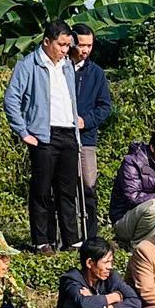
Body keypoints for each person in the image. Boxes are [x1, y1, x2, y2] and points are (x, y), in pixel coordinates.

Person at [2, 21, 84, 252]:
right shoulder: (29, 65)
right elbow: (12, 99)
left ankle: (71, 239)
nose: (65, 49)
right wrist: (23, 131)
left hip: (68, 132)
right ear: (47, 41)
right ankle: (42, 240)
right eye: (61, 44)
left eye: (68, 45)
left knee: (67, 190)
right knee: (42, 190)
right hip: (43, 134)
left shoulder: (67, 65)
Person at [70, 24, 114, 240]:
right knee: (64, 188)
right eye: (81, 45)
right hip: (59, 137)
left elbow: (105, 107)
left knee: (88, 186)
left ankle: (91, 235)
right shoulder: (60, 68)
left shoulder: (96, 73)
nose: (85, 50)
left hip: (86, 138)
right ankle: (68, 236)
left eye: (89, 45)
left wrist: (85, 121)